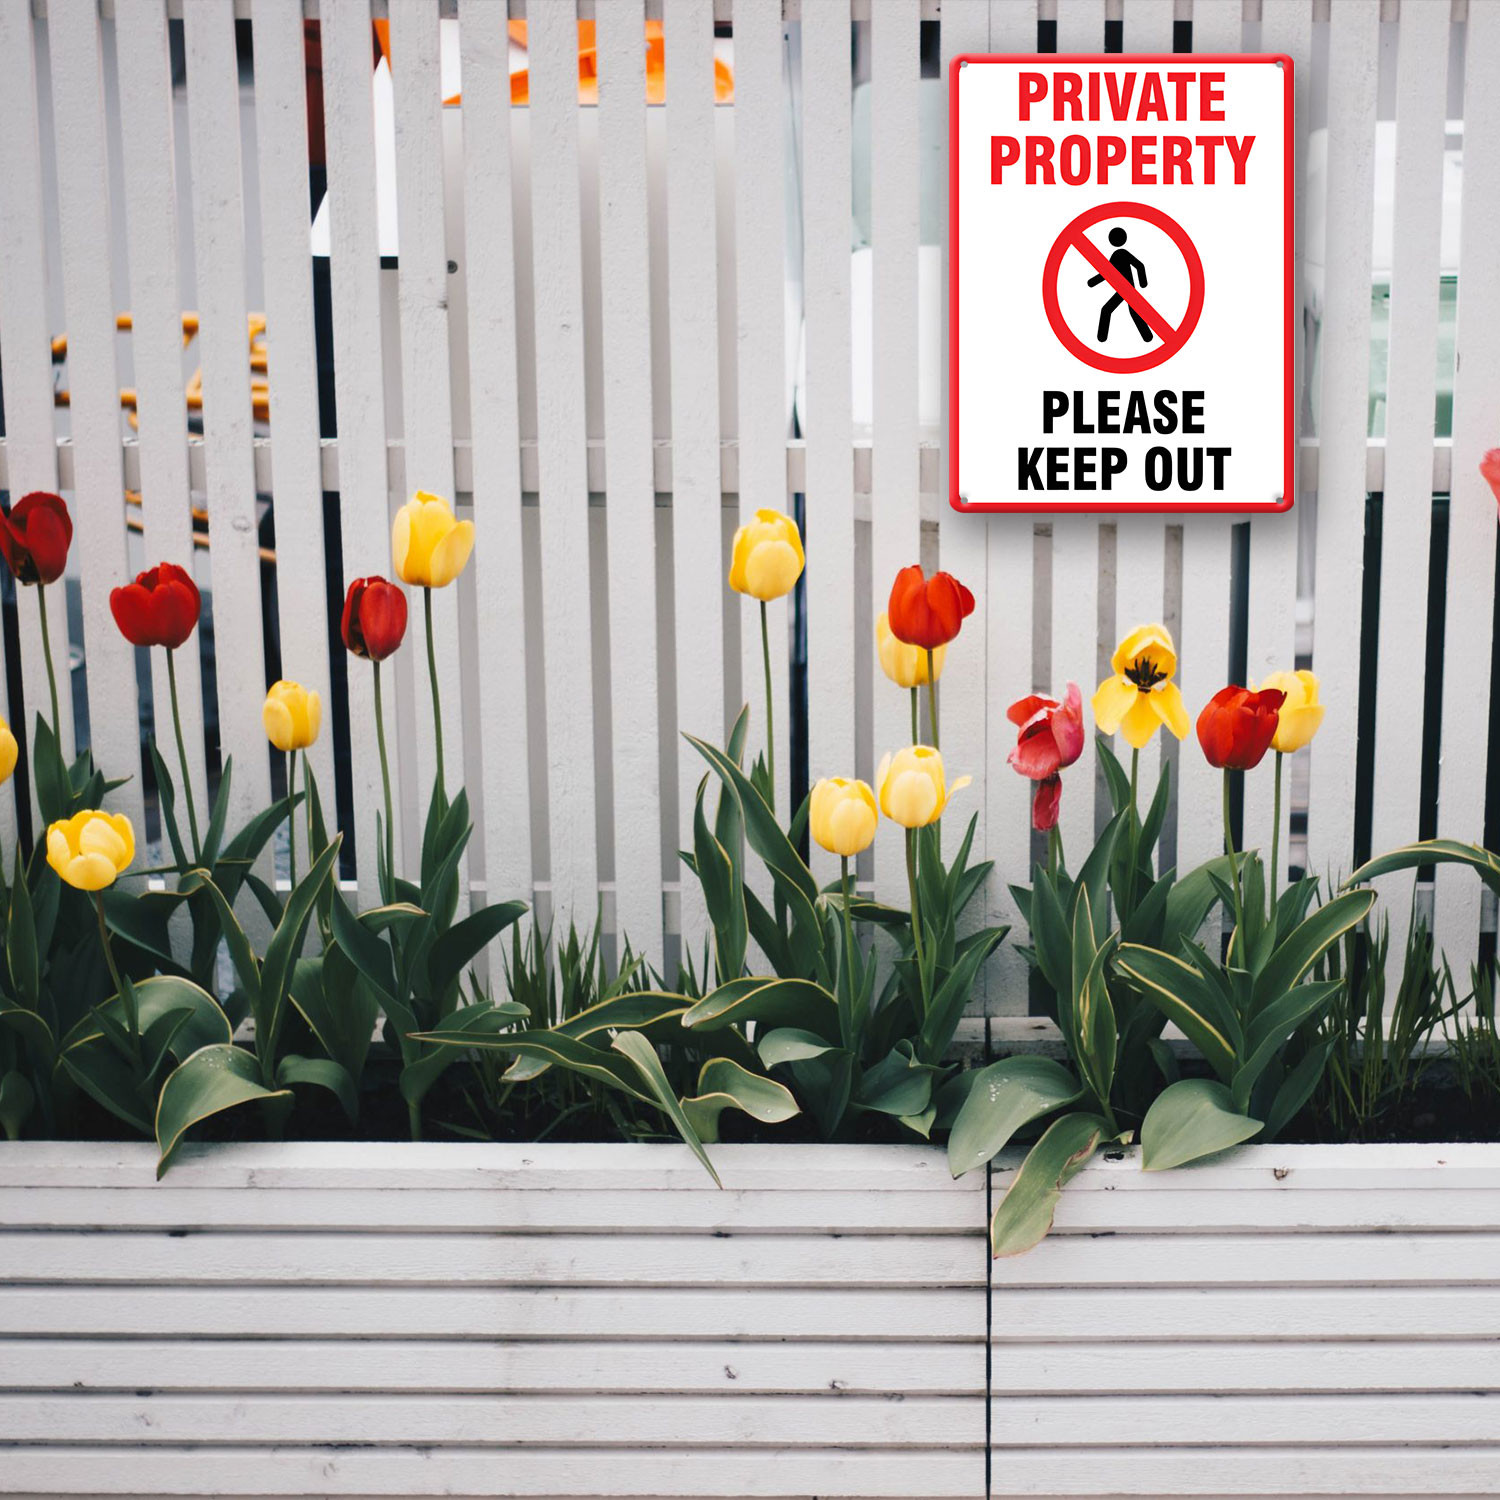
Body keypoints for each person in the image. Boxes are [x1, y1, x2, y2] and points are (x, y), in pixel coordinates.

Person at [1089, 228, 1153, 344]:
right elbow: (1107, 272)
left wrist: (1143, 283)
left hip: (1128, 290)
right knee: (1113, 310)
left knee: (1110, 310)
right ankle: (1148, 337)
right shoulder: (1118, 255)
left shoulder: (1120, 254)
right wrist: (1092, 282)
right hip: (1124, 290)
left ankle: (1148, 337)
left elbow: (1139, 266)